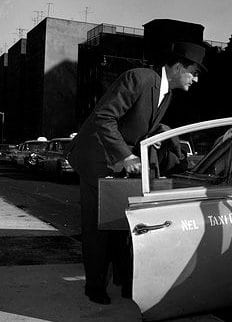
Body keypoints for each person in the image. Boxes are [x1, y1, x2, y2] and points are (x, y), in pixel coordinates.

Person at [66, 41, 206, 305]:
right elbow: (103, 117)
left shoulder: (166, 94)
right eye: (194, 72)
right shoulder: (139, 78)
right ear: (178, 67)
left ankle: (124, 282)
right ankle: (94, 287)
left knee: (122, 224)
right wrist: (125, 155)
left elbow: (137, 126)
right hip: (97, 159)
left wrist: (161, 131)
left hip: (117, 161)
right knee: (99, 226)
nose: (195, 79)